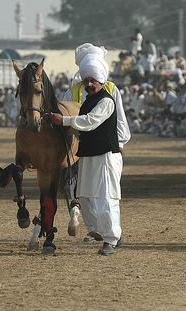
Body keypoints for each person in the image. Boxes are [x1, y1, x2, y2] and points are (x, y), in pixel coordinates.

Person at [50, 52, 124, 256]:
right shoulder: (87, 101)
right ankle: (107, 233)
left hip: (105, 156)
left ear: (101, 81)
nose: (89, 84)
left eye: (93, 80)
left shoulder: (106, 101)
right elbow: (81, 127)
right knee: (87, 198)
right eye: (86, 81)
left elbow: (90, 122)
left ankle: (111, 239)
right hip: (89, 156)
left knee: (105, 198)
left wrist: (64, 121)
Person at [64, 43, 131, 242]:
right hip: (80, 151)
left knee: (105, 194)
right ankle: (94, 230)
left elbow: (119, 120)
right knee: (82, 192)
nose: (90, 83)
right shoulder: (74, 91)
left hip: (106, 150)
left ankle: (111, 235)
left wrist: (120, 144)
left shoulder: (110, 90)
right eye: (87, 78)